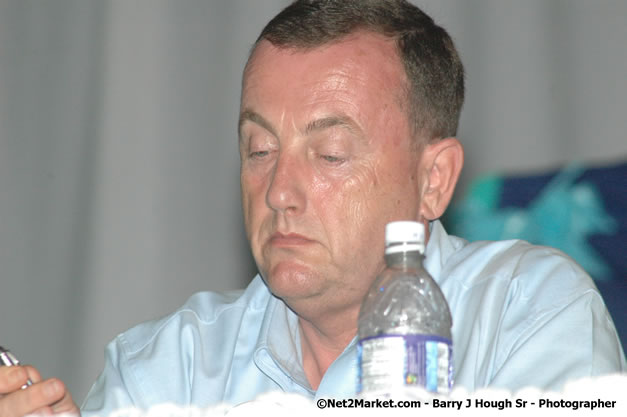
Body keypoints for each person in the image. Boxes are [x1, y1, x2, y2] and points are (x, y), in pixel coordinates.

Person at [1, 1, 625, 415]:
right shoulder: (168, 367)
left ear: (433, 180)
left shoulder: (530, 313)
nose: (279, 191)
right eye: (259, 149)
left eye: (329, 154)